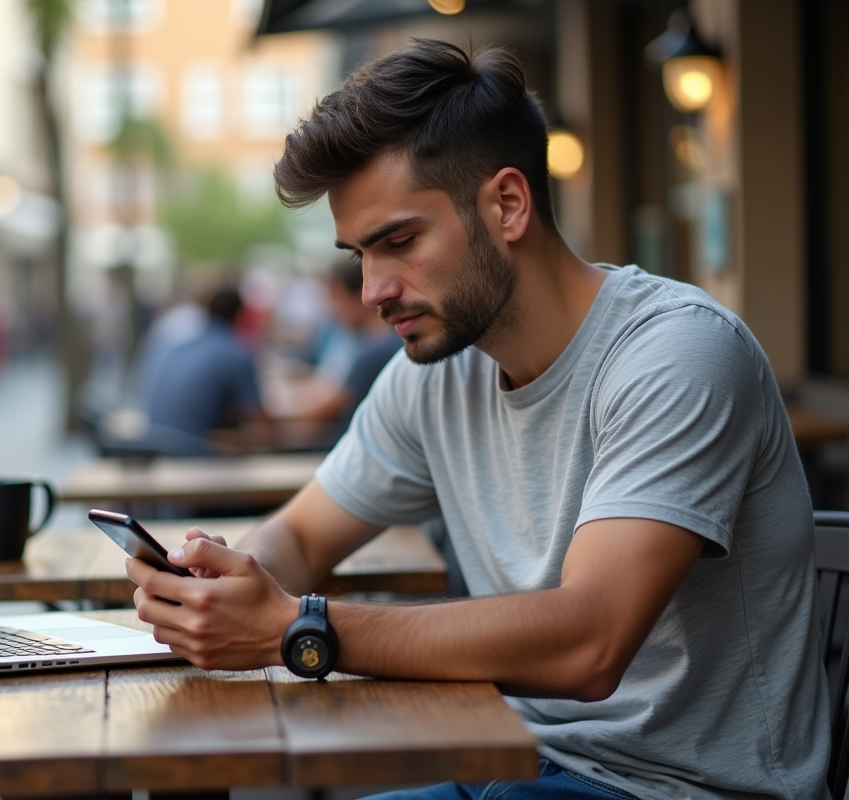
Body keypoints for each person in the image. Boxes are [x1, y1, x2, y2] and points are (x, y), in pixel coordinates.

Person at [125, 40, 829, 800]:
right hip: (508, 763)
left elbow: (589, 643)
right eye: (358, 254)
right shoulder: (434, 374)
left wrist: (302, 629)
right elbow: (300, 534)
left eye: (399, 242)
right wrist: (224, 585)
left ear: (508, 205)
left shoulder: (676, 353)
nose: (371, 290)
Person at [284, 260, 401, 443]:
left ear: (360, 298)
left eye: (338, 301)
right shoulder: (371, 341)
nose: (335, 310)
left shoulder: (376, 351)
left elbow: (327, 409)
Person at [138, 285, 265, 455]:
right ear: (240, 314)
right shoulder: (234, 352)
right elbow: (258, 423)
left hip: (154, 446)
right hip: (191, 454)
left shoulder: (179, 347)